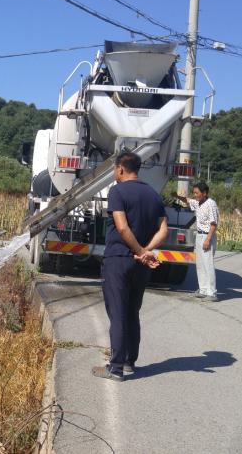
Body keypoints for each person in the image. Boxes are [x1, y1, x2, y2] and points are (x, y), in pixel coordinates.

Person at [92, 151, 168, 382]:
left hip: (119, 259)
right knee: (132, 311)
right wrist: (146, 252)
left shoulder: (117, 191)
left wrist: (138, 251)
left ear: (121, 169)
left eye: (115, 170)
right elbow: (164, 229)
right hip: (141, 265)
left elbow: (122, 228)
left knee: (118, 313)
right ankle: (129, 362)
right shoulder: (154, 195)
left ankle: (115, 368)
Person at [176, 182, 219, 302]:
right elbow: (188, 200)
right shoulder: (198, 203)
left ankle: (212, 292)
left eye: (197, 193)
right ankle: (203, 289)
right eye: (194, 193)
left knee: (208, 264)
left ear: (204, 193)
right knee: (200, 264)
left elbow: (213, 223)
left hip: (207, 236)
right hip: (199, 235)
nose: (195, 195)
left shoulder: (211, 204)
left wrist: (208, 239)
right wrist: (176, 196)